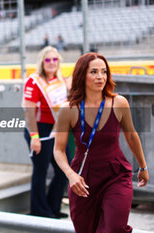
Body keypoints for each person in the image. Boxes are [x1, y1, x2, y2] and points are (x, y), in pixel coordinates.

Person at [53, 52, 149, 232]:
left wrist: (143, 167)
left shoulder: (119, 103)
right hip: (83, 179)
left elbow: (131, 136)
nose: (100, 77)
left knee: (114, 227)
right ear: (82, 75)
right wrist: (71, 175)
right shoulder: (68, 109)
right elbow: (58, 150)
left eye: (104, 72)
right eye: (94, 72)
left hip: (116, 174)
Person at [22, 46, 71, 218]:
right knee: (40, 170)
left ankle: (53, 207)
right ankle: (39, 211)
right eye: (48, 60)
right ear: (42, 62)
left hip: (58, 130)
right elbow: (28, 112)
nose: (51, 63)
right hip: (39, 129)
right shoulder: (34, 81)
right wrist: (34, 137)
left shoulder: (61, 80)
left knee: (63, 169)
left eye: (54, 59)